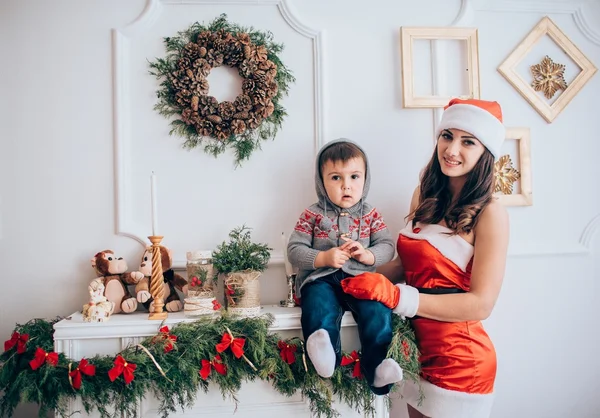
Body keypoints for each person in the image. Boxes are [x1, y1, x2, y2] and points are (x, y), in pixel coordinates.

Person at [342, 98, 509, 417]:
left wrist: (397, 297)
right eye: (447, 136)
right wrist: (353, 272)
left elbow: (481, 304)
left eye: (468, 141)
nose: (452, 149)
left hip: (460, 361)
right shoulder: (423, 196)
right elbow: (408, 267)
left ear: (485, 152)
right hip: (414, 352)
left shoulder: (491, 214)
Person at [287, 139, 402, 395]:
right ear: (321, 181)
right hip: (322, 279)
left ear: (365, 179)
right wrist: (323, 258)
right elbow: (294, 250)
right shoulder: (312, 214)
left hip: (360, 279)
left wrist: (368, 255)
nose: (346, 185)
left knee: (377, 311)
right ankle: (326, 357)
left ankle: (378, 369)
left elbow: (386, 245)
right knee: (318, 307)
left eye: (354, 177)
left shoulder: (370, 214)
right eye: (336, 178)